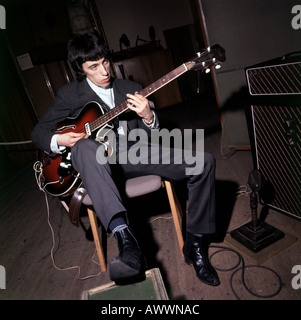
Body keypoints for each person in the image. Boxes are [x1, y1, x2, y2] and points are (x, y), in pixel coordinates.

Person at [31, 31, 220, 286]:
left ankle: (195, 246)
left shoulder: (130, 89)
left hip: (132, 153)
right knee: (86, 147)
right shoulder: (69, 95)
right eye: (94, 66)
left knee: (204, 162)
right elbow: (38, 132)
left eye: (105, 61)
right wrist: (61, 140)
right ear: (81, 69)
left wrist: (147, 117)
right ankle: (127, 242)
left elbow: (147, 136)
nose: (104, 71)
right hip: (93, 161)